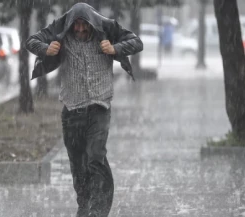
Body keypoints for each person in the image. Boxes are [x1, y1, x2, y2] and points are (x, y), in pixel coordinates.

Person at [25, 3, 143, 217]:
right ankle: (84, 205)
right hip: (71, 109)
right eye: (75, 26)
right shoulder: (60, 27)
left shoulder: (106, 27)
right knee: (78, 165)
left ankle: (99, 210)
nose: (79, 29)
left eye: (83, 25)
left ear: (91, 23)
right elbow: (31, 41)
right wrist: (45, 49)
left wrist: (115, 49)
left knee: (96, 157)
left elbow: (137, 42)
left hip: (100, 107)